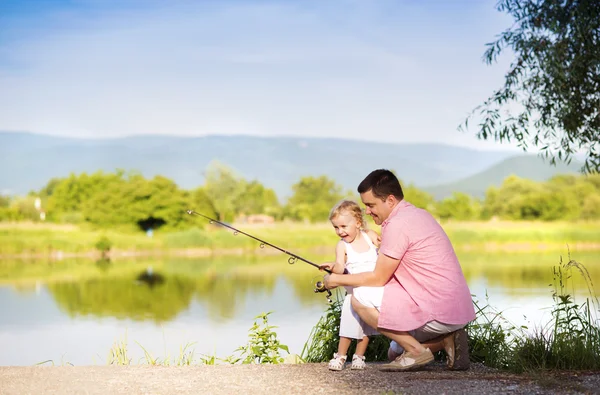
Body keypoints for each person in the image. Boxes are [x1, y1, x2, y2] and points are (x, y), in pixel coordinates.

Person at [322, 169, 476, 371]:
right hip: (454, 310)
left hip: (437, 311)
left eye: (371, 205)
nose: (367, 211)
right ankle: (447, 341)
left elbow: (378, 278)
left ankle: (417, 351)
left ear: (391, 200)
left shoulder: (397, 224)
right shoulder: (418, 214)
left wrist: (336, 280)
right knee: (394, 352)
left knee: (358, 298)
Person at [319, 199, 384, 371]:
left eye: (343, 226)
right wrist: (333, 267)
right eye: (335, 227)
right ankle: (341, 356)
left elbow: (385, 247)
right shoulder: (342, 246)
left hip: (373, 290)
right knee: (348, 326)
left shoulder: (369, 236)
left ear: (358, 222)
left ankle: (359, 356)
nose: (340, 231)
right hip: (354, 292)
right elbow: (340, 266)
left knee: (366, 329)